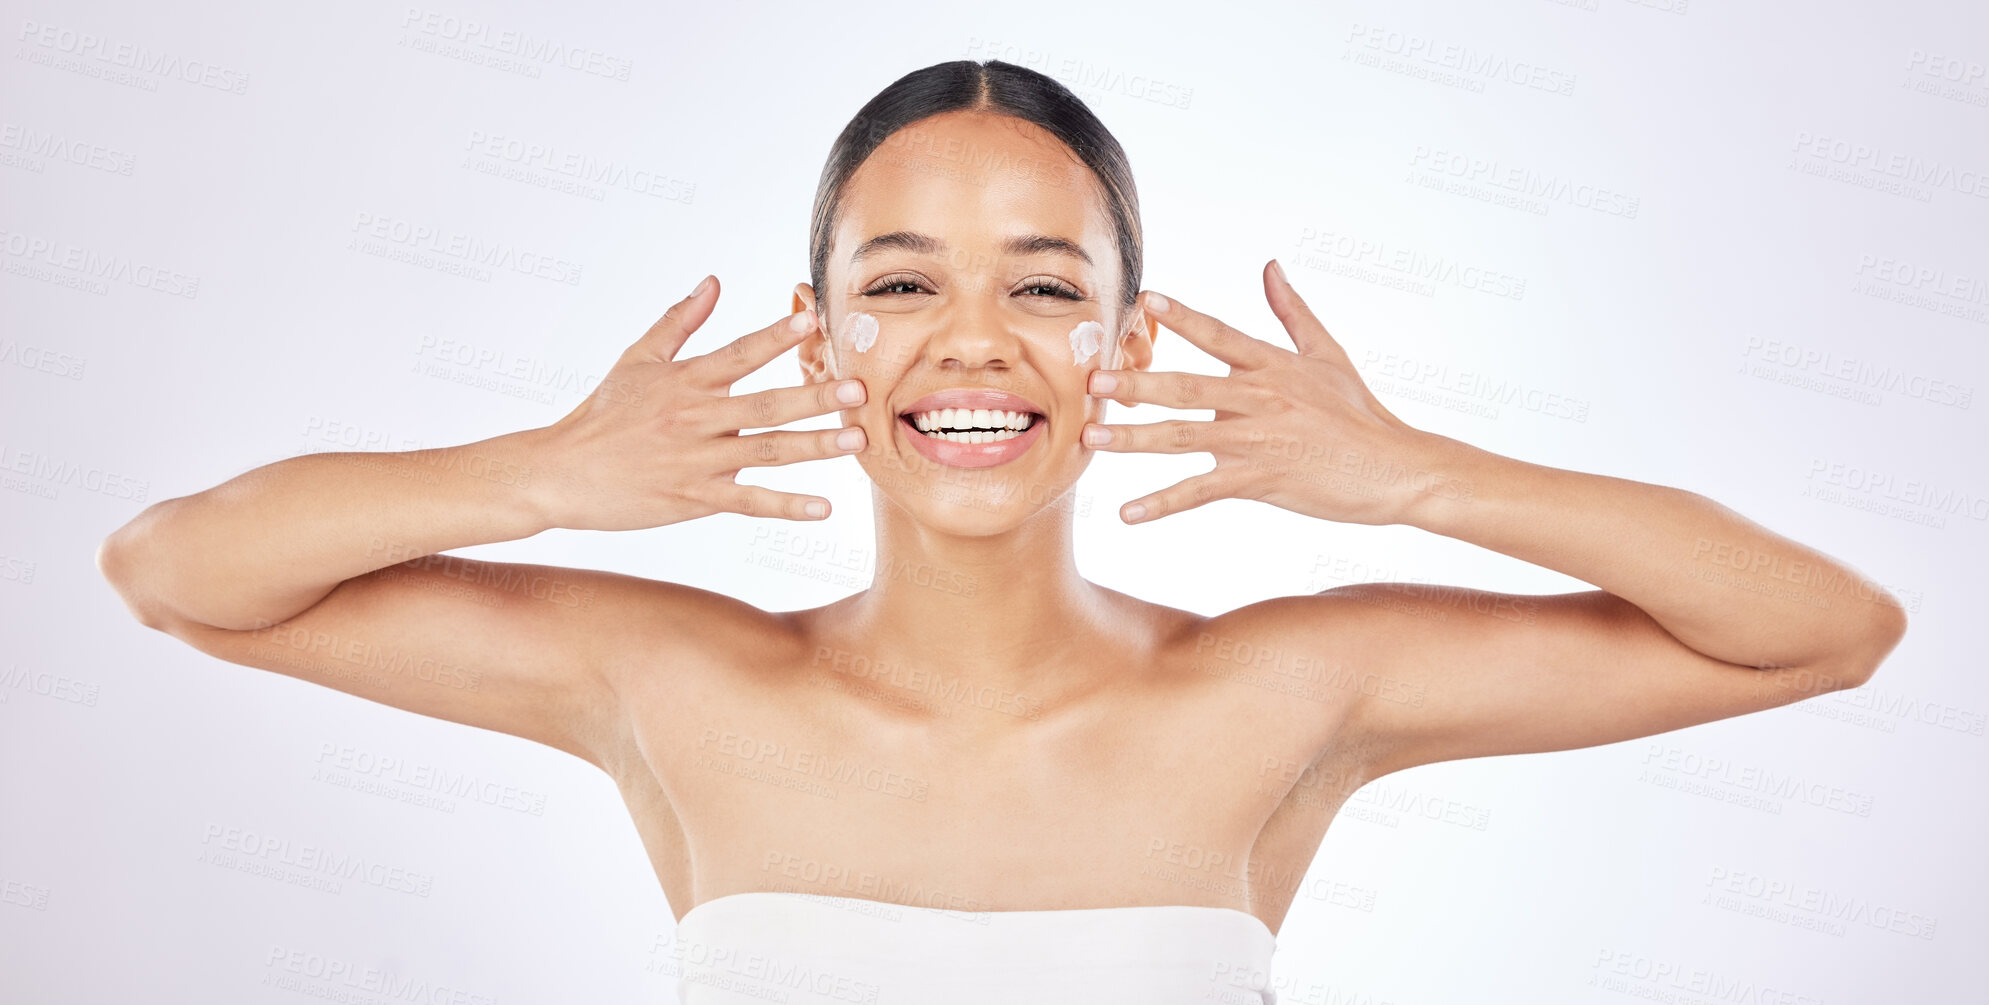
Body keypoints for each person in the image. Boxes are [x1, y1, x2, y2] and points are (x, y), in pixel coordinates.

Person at [96, 60, 1907, 1003]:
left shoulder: (1288, 686)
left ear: (1125, 340)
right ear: (818, 337)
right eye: (899, 283)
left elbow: (1823, 626)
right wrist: (552, 473)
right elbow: (176, 571)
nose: (972, 342)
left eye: (1045, 286)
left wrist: (1418, 476)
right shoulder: (660, 674)